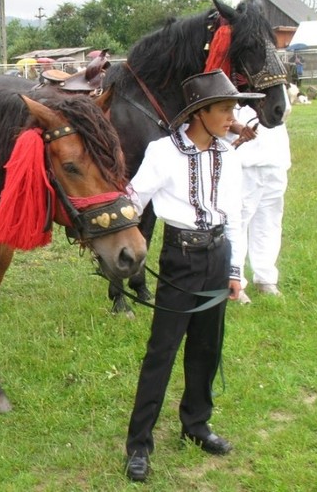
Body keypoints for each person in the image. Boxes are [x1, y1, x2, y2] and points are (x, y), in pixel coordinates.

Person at [123, 70, 264, 482]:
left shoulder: (228, 154)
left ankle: (197, 424)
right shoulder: (162, 152)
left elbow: (234, 214)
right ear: (198, 113)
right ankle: (139, 445)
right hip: (180, 257)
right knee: (162, 352)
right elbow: (135, 200)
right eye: (223, 108)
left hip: (218, 256)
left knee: (207, 346)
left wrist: (235, 270)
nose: (231, 117)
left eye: (232, 108)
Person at [228, 105, 290, 303]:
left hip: (275, 157)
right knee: (238, 221)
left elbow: (283, 108)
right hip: (244, 160)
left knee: (270, 220)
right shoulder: (231, 77)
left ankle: (266, 277)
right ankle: (235, 281)